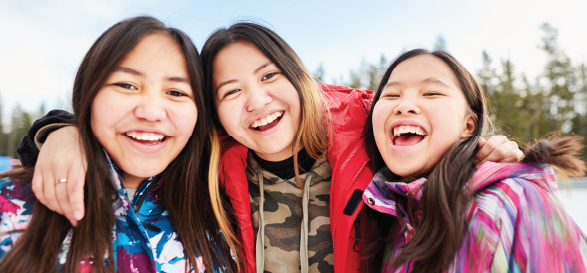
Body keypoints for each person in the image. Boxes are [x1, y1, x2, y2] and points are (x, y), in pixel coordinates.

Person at [17, 24, 523, 273]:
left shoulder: (367, 131)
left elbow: (425, 118)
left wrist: (476, 150)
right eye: (230, 91)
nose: (256, 101)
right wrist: (61, 132)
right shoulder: (212, 162)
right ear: (214, 111)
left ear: (299, 77)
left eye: (268, 76)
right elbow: (144, 130)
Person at [0, 16, 239, 273]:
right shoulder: (9, 203)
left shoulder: (223, 215)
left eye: (176, 92)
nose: (151, 112)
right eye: (126, 85)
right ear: (88, 93)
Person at [361, 49, 587, 272]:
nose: (403, 106)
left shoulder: (510, 202)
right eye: (391, 95)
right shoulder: (381, 217)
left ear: (468, 125)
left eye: (431, 93)